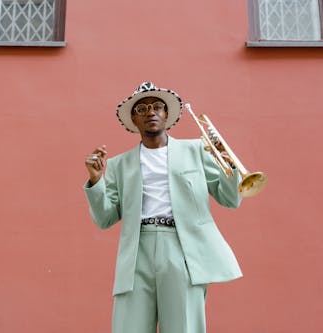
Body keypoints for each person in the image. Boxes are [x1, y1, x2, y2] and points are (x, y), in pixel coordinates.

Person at [83, 82, 243, 333]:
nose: (151, 112)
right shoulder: (118, 165)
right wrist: (95, 181)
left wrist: (229, 164)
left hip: (183, 247)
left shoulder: (196, 150)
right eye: (142, 108)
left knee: (184, 327)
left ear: (167, 115)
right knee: (128, 327)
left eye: (158, 106)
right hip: (136, 251)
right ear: (134, 119)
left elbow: (230, 199)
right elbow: (104, 218)